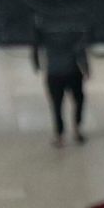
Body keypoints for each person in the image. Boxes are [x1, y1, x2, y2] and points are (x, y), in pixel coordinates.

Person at [36, 16, 90, 146]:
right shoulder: (73, 30)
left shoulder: (45, 31)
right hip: (72, 72)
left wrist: (36, 63)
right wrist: (86, 69)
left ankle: (59, 135)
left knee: (57, 105)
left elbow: (36, 45)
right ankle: (76, 129)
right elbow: (80, 51)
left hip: (54, 74)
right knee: (78, 100)